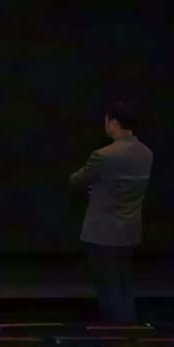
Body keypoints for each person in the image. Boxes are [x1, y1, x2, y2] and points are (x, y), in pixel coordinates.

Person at [69, 99, 152, 323]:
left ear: (113, 123)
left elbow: (76, 181)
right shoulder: (146, 153)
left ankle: (116, 331)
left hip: (102, 233)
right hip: (129, 231)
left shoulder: (104, 155)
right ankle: (129, 329)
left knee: (108, 288)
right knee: (124, 283)